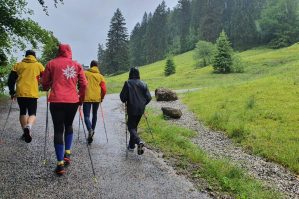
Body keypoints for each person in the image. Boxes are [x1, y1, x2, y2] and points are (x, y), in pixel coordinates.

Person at [42, 44, 87, 175]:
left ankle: (60, 164)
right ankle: (67, 153)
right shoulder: (77, 65)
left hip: (56, 101)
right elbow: (84, 84)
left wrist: (46, 87)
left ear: (59, 51)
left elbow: (44, 83)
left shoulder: (51, 64)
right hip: (72, 101)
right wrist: (81, 99)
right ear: (70, 52)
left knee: (58, 129)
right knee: (68, 125)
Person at [7, 50, 45, 143]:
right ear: (34, 56)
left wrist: (12, 92)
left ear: (26, 56)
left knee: (22, 112)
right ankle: (29, 126)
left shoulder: (18, 65)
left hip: (21, 93)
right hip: (32, 93)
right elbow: (45, 78)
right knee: (32, 113)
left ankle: (25, 132)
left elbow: (11, 80)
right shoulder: (39, 65)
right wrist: (43, 84)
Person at [120, 67, 151, 155]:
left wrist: (127, 99)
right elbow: (148, 98)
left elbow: (122, 98)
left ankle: (139, 142)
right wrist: (142, 104)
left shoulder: (128, 83)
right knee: (134, 126)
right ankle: (131, 146)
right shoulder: (144, 84)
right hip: (141, 109)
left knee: (130, 127)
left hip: (132, 108)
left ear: (130, 74)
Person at [83, 60, 106, 144]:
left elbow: (81, 84)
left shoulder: (85, 73)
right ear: (97, 66)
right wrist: (102, 97)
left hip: (86, 98)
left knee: (86, 116)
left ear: (90, 66)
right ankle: (93, 131)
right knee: (95, 114)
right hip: (97, 98)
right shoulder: (100, 76)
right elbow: (104, 89)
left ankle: (90, 130)